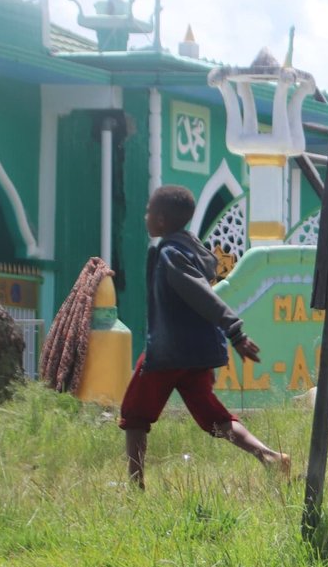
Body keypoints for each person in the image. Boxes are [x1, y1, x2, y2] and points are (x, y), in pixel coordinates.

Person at [119, 185, 288, 489]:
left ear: (159, 219)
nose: (144, 217)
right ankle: (269, 456)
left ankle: (134, 487)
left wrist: (234, 331)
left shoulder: (171, 254)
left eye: (147, 211)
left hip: (169, 351)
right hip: (196, 355)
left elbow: (199, 293)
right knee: (213, 416)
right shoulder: (192, 248)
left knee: (134, 413)